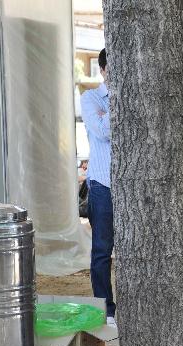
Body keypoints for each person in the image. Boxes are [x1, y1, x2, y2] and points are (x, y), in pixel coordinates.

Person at [81, 48, 116, 327]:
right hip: (102, 183)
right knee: (103, 249)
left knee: (134, 250)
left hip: (132, 187)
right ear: (103, 69)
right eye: (112, 67)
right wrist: (115, 100)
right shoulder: (90, 97)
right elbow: (103, 132)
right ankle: (106, 308)